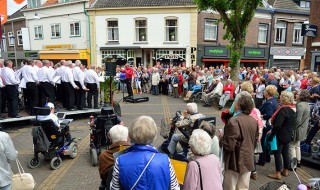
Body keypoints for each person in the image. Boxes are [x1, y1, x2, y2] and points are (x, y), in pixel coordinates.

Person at [110, 116, 180, 190]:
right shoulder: (165, 160)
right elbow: (175, 188)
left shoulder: (120, 161)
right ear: (154, 135)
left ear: (130, 135)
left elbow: (114, 188)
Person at [221, 91, 259, 190]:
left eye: (234, 102)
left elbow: (229, 146)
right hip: (248, 159)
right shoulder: (253, 120)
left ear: (238, 105)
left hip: (234, 161)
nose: (233, 103)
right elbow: (255, 141)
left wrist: (221, 138)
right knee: (243, 187)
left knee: (230, 187)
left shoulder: (234, 121)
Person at [267, 91, 296, 180]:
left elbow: (278, 124)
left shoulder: (284, 109)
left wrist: (272, 135)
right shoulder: (293, 108)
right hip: (288, 133)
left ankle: (278, 173)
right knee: (285, 153)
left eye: (281, 97)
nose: (280, 98)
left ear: (284, 98)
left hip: (280, 134)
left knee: (277, 153)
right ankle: (286, 170)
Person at [257, 85, 278, 166]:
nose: (264, 92)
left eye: (265, 91)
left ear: (268, 93)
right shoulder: (274, 100)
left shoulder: (269, 103)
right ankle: (267, 157)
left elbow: (269, 114)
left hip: (266, 124)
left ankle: (262, 160)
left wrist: (261, 116)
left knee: (263, 142)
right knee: (265, 141)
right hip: (270, 125)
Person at [290, 90, 310, 167]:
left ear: (301, 96)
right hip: (303, 128)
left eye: (298, 94)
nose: (296, 95)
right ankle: (298, 161)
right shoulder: (306, 104)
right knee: (297, 145)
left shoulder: (300, 105)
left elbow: (298, 120)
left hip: (298, 129)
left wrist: (292, 128)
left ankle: (293, 164)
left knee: (292, 146)